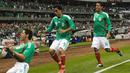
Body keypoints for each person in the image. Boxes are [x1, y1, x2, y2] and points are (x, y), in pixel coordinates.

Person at [91, 2, 123, 67]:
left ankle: (117, 50)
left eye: (98, 5)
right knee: (95, 48)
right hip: (96, 35)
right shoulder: (94, 14)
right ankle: (100, 63)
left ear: (101, 7)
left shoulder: (105, 14)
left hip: (103, 35)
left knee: (107, 50)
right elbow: (95, 23)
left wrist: (108, 33)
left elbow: (109, 24)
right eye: (96, 5)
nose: (96, 7)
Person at [46, 5, 76, 73]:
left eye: (56, 10)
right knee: (51, 51)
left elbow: (73, 26)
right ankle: (59, 63)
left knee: (60, 50)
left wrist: (65, 30)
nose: (55, 12)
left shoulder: (66, 17)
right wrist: (43, 31)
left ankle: (63, 68)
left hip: (66, 37)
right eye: (54, 11)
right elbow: (50, 28)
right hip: (58, 38)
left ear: (60, 10)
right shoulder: (54, 19)